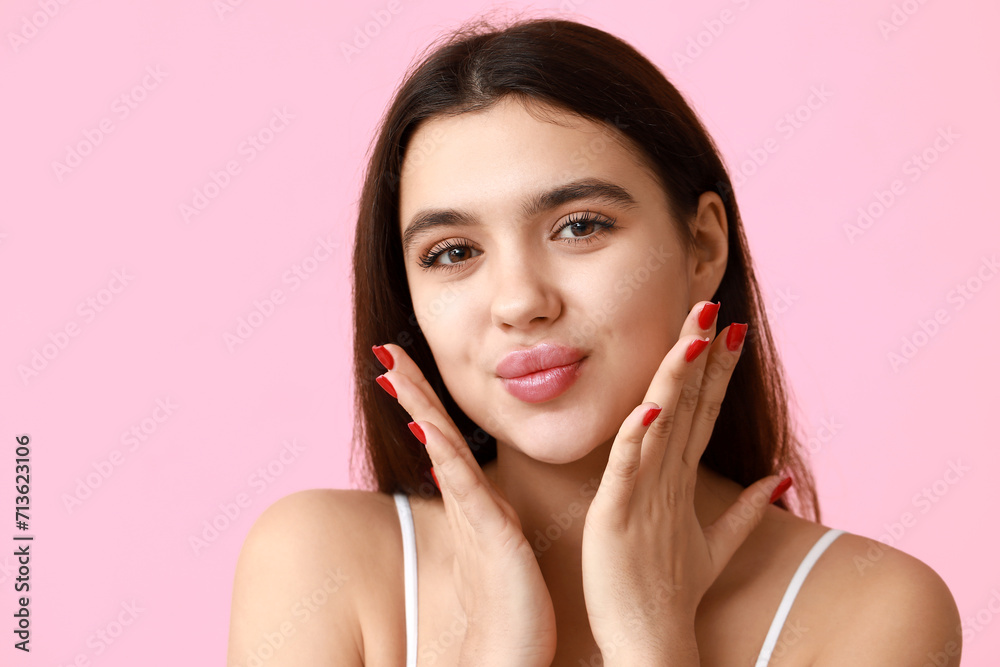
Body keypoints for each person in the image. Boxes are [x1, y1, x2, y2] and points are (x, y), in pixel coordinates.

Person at [227, 14, 962, 666]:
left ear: (703, 245)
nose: (520, 302)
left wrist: (650, 641)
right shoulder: (318, 563)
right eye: (453, 252)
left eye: (579, 226)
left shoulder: (875, 609)